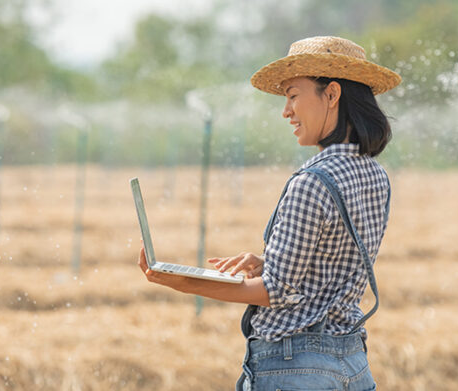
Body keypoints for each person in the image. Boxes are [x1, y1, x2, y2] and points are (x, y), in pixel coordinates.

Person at [137, 36, 400, 390]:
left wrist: (183, 282)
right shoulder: (376, 176)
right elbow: (334, 265)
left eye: (293, 95)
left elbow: (275, 291)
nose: (286, 111)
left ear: (332, 94)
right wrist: (270, 261)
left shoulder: (311, 182)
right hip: (352, 364)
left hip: (295, 369)